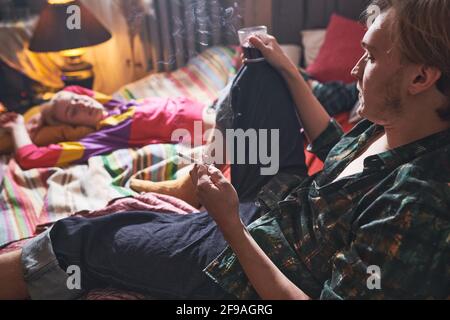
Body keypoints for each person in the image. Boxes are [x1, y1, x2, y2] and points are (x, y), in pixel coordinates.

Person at [1, 0, 449, 300]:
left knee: (84, 238)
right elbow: (336, 147)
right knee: (260, 74)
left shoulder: (416, 207)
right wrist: (288, 69)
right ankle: (192, 187)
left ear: (419, 78)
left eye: (369, 57)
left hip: (261, 257)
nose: (355, 67)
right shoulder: (395, 122)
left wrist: (231, 223)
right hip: (283, 202)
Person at [0, 87, 210, 170]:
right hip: (206, 126)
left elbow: (73, 89)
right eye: (73, 112)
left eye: (77, 100)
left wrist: (40, 115)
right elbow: (31, 158)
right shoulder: (102, 136)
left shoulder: (111, 105)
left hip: (208, 107)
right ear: (76, 127)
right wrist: (19, 126)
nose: (81, 103)